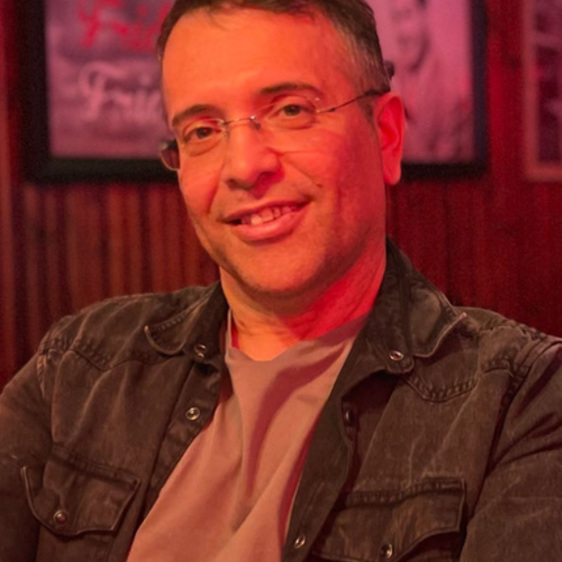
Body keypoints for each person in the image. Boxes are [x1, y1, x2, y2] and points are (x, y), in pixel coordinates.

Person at [1, 0, 561, 560]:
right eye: (202, 130)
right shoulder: (79, 369)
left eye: (291, 110)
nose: (244, 167)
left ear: (386, 136)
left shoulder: (519, 403)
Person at [388, 0, 473, 161]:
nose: (402, 32)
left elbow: (442, 166)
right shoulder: (388, 77)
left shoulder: (452, 86)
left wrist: (403, 123)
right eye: (396, 18)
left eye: (407, 15)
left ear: (424, 15)